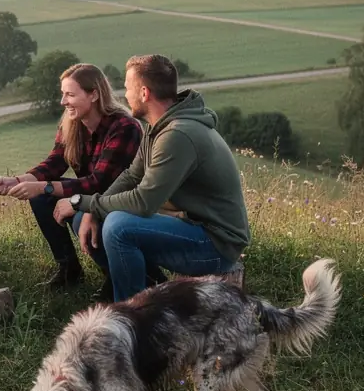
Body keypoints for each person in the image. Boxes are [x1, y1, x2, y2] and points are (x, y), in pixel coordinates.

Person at [54, 54, 250, 302]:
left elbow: (143, 201)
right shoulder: (158, 127)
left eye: (127, 87)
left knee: (118, 227)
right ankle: (151, 288)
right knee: (87, 218)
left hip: (216, 244)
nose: (124, 95)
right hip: (191, 226)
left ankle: (131, 317)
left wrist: (79, 201)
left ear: (144, 93)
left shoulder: (177, 135)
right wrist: (91, 208)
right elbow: (132, 175)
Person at [0, 62, 140, 291]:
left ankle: (116, 276)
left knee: (78, 215)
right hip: (91, 196)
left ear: (94, 95)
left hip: (121, 202)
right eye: (63, 94)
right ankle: (68, 268)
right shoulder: (72, 123)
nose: (63, 101)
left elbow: (101, 182)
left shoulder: (123, 127)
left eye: (70, 94)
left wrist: (44, 187)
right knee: (41, 198)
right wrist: (19, 180)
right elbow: (56, 162)